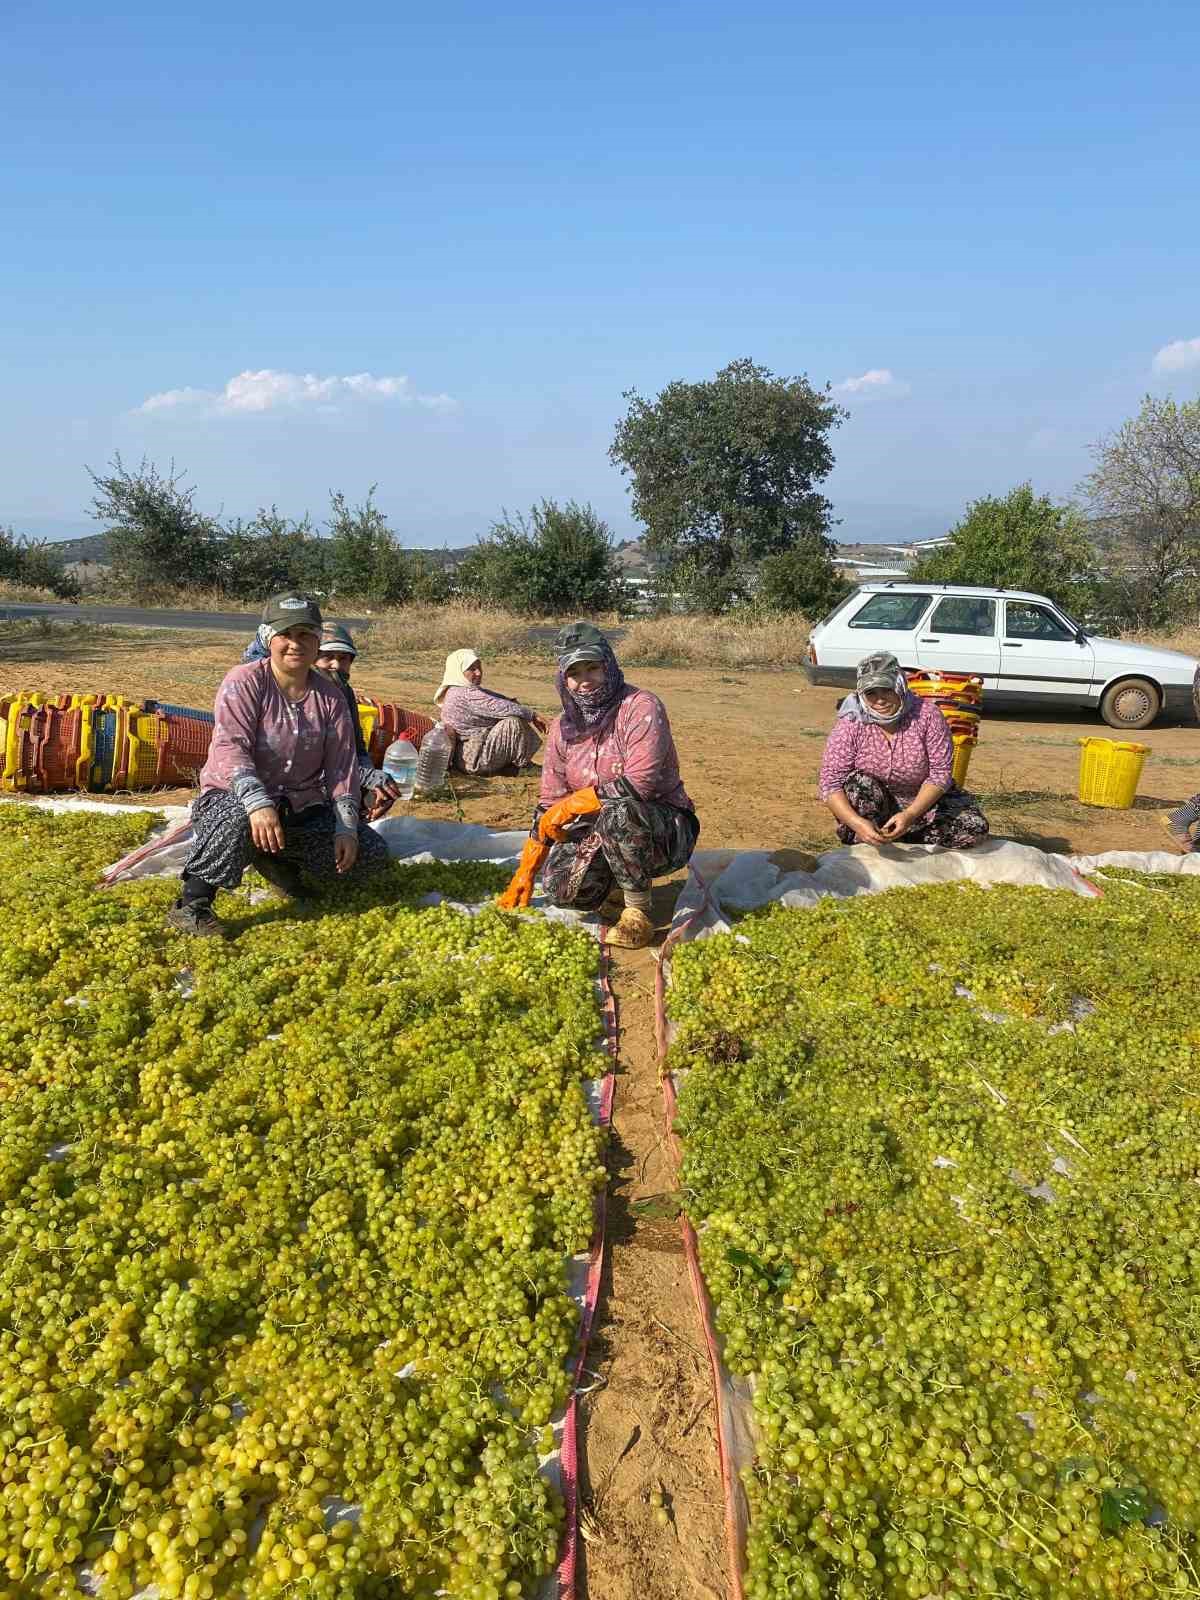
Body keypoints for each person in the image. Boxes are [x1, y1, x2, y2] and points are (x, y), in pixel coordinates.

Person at [167, 593, 390, 937]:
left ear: (317, 641)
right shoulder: (244, 682)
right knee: (237, 818)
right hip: (235, 797)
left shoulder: (331, 696)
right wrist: (258, 803)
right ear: (269, 638)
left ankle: (276, 860)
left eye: (305, 635)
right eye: (286, 635)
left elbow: (341, 766)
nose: (295, 644)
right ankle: (193, 903)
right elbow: (231, 749)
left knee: (371, 855)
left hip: (300, 804)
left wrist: (346, 826)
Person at [530, 621, 699, 948]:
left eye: (593, 668)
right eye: (574, 673)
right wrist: (528, 864)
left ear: (609, 666)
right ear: (563, 679)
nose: (584, 681)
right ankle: (615, 888)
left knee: (619, 811)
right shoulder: (562, 727)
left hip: (662, 828)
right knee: (562, 888)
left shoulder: (641, 707)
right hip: (598, 832)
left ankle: (638, 912)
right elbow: (549, 800)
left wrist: (575, 803)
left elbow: (640, 786)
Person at [819, 651, 989, 849]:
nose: (880, 700)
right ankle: (869, 835)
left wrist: (910, 815)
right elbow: (830, 783)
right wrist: (857, 823)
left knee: (974, 828)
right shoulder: (851, 722)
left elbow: (940, 774)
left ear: (900, 686)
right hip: (874, 806)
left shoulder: (927, 715)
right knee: (858, 784)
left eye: (887, 690)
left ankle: (904, 838)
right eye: (871, 693)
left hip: (923, 805)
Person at [435, 648, 548, 774]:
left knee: (513, 712)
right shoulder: (465, 694)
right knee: (512, 723)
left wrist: (512, 702)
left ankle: (510, 763)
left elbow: (494, 697)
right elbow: (501, 707)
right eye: (472, 669)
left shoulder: (456, 690)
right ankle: (522, 765)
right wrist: (533, 715)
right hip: (474, 759)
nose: (478, 673)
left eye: (479, 667)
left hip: (465, 757)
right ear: (459, 672)